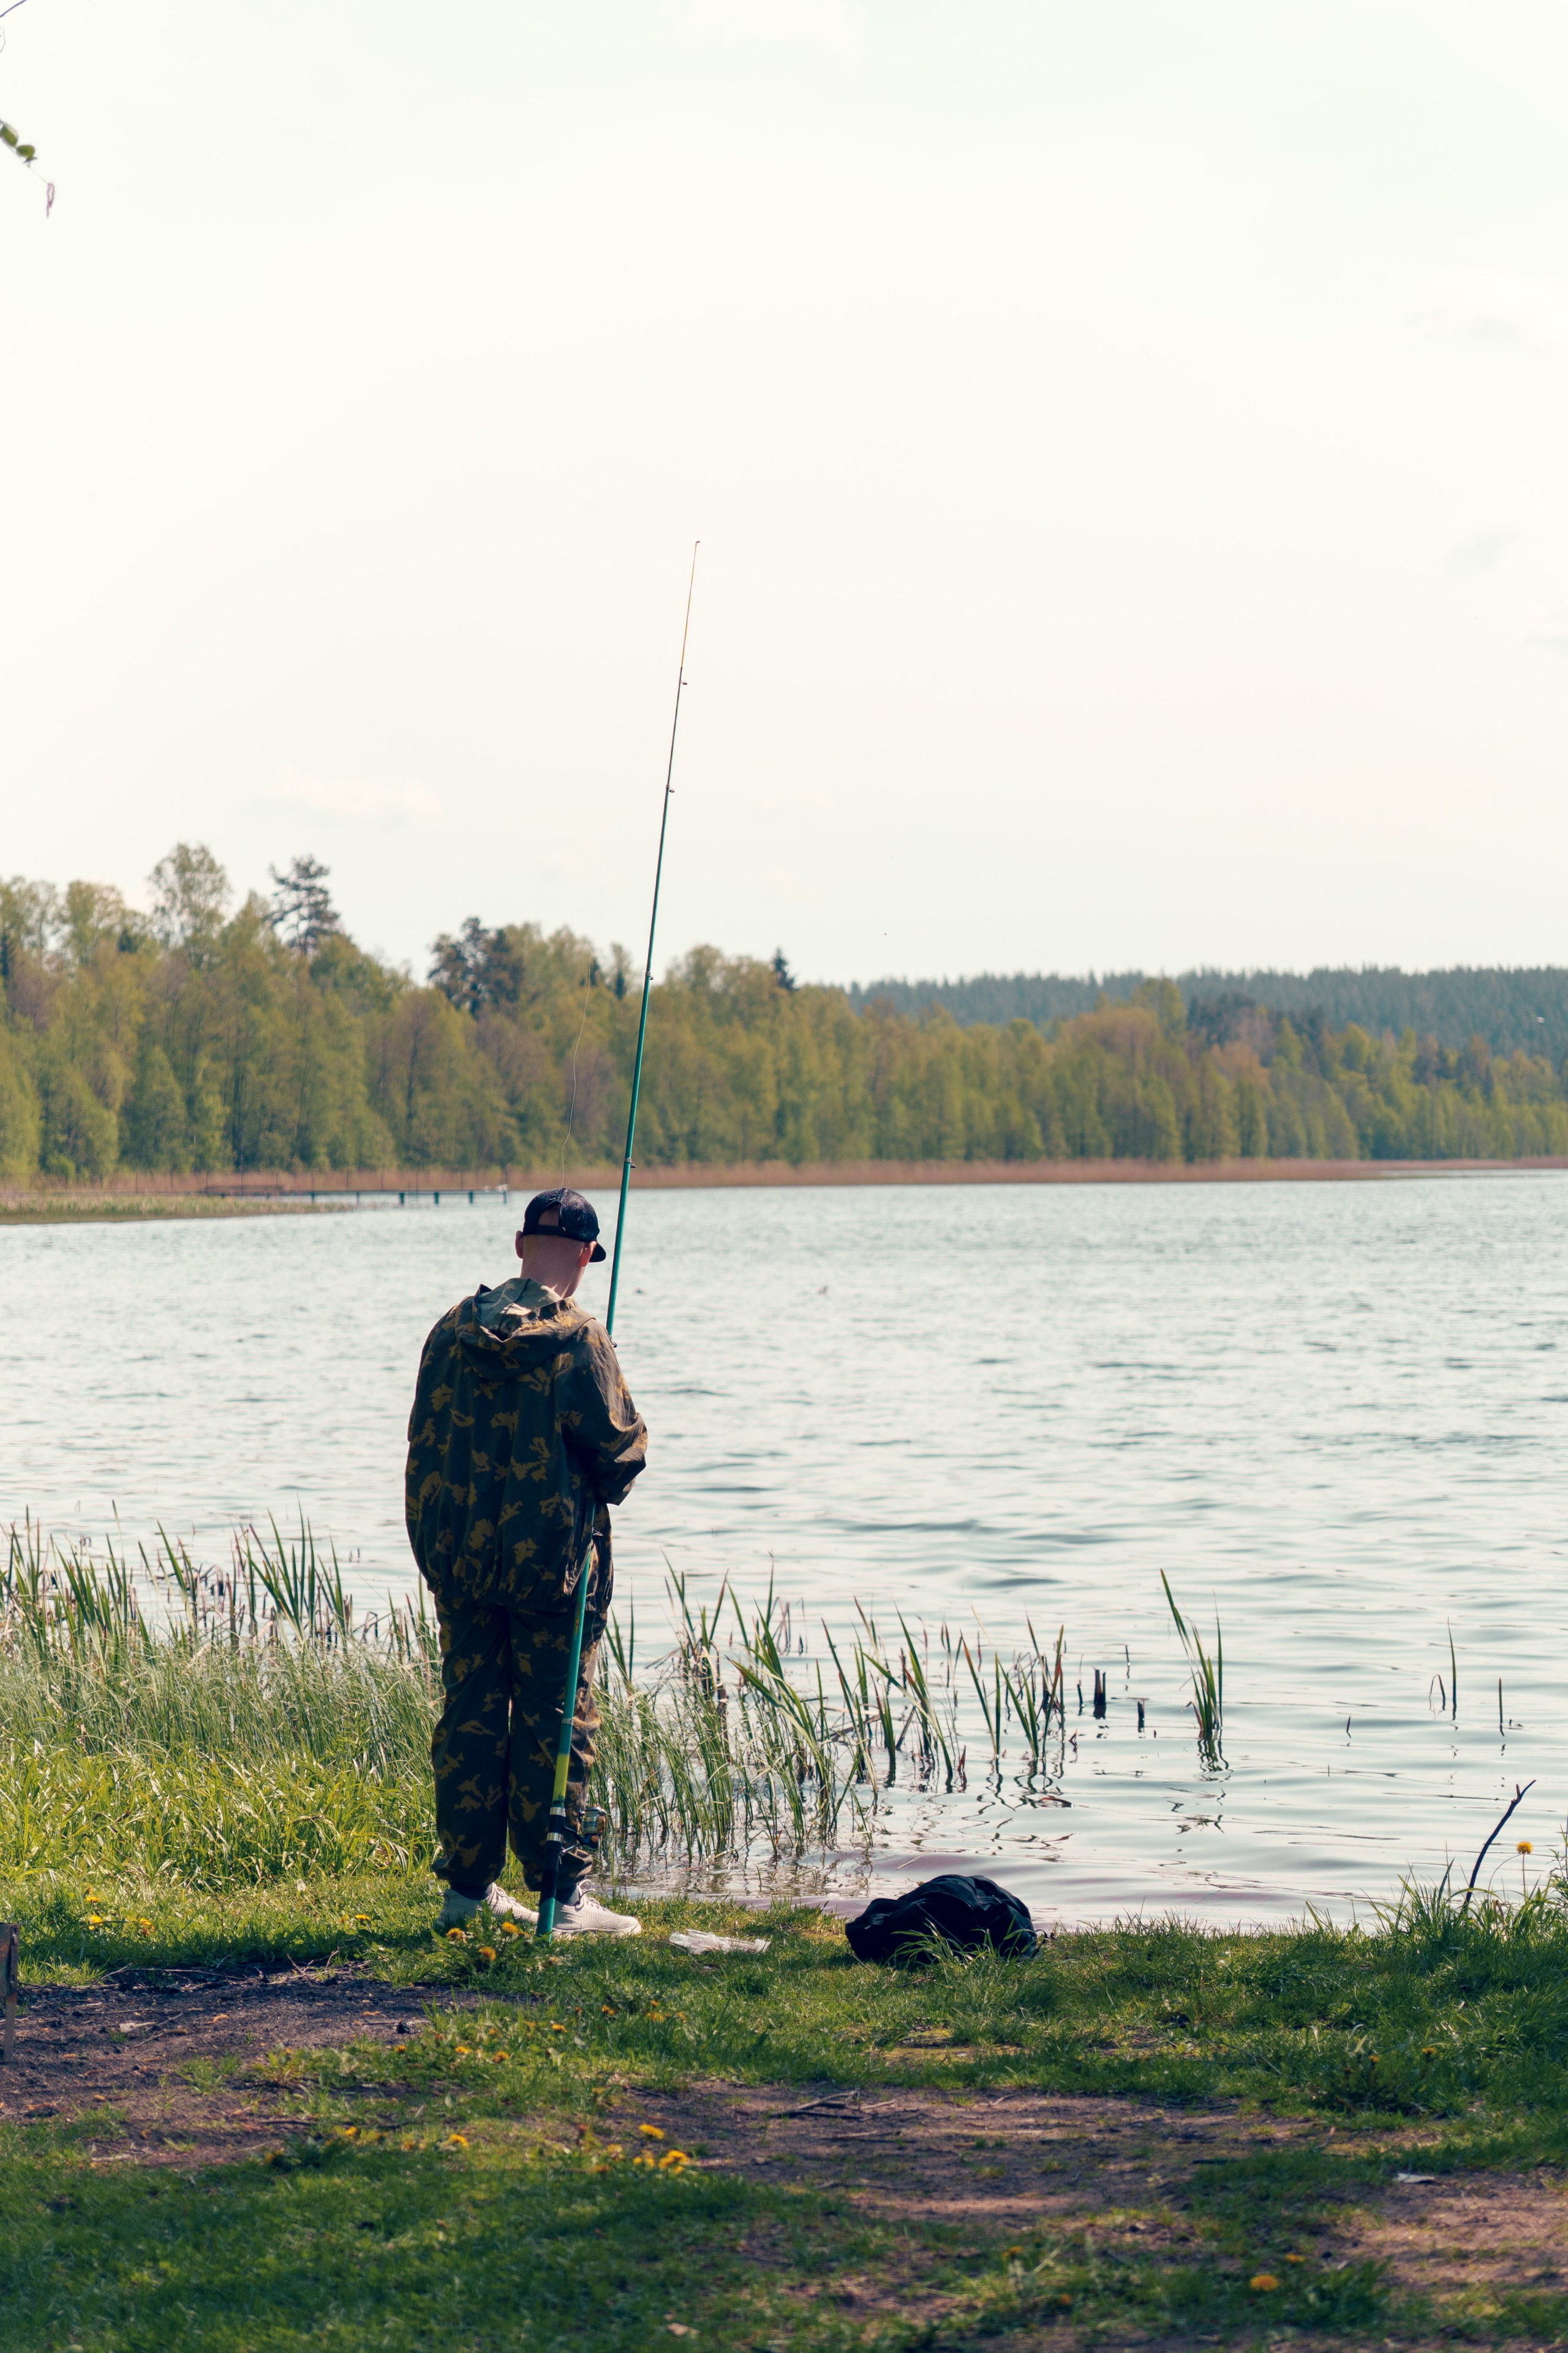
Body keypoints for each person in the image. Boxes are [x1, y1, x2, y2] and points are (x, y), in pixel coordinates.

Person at [405, 1185, 648, 1936]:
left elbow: (423, 1435)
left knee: (472, 1716)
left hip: (462, 1565)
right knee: (556, 1724)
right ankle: (560, 1897)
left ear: (519, 1245)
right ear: (584, 1255)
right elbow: (622, 1455)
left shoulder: (450, 1331)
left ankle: (467, 1892)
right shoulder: (579, 1340)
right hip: (553, 1573)